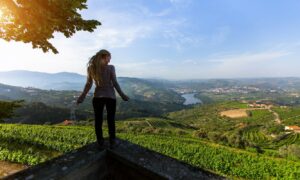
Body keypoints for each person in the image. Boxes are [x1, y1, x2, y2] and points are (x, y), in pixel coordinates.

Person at [76, 49, 129, 149]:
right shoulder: (111, 68)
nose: (110, 60)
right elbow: (115, 83)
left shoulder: (91, 68)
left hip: (97, 97)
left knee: (98, 120)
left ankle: (100, 142)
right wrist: (122, 95)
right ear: (105, 57)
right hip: (110, 97)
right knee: (111, 119)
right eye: (109, 58)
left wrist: (82, 96)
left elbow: (88, 84)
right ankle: (112, 141)